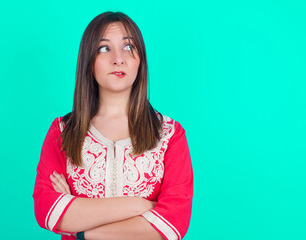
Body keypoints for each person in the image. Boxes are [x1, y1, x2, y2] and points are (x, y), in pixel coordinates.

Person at [33, 11, 193, 240]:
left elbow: (173, 224)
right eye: (104, 48)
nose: (119, 59)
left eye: (128, 47)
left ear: (141, 60)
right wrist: (141, 206)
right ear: (89, 61)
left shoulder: (170, 134)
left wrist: (80, 228)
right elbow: (47, 211)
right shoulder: (62, 131)